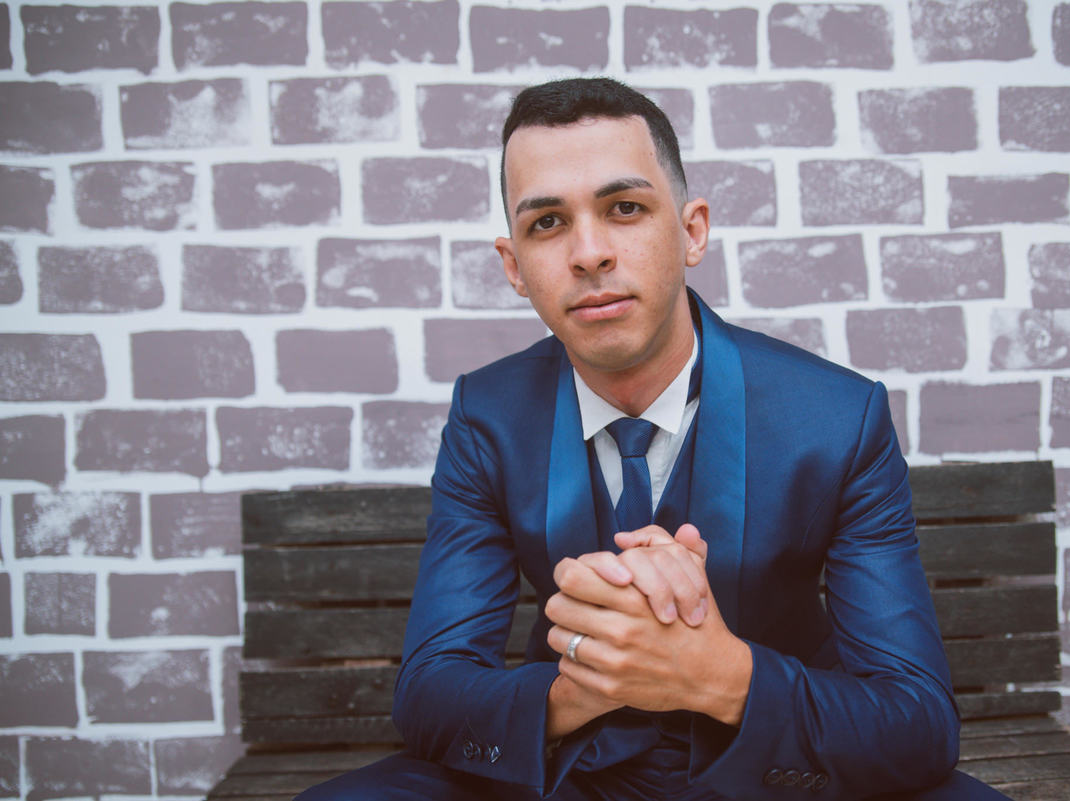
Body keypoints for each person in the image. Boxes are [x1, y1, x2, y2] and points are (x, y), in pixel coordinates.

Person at [296, 77, 1011, 801]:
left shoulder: (837, 416)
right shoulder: (487, 415)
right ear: (514, 266)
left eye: (625, 208)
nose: (589, 253)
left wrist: (717, 674)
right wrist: (588, 681)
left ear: (691, 230)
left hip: (774, 775)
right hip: (570, 772)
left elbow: (918, 720)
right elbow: (429, 692)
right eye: (548, 222)